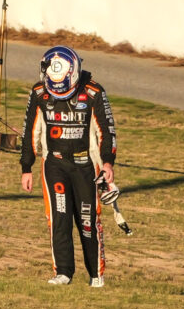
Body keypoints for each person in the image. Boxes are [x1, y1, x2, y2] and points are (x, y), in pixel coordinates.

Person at [19, 46, 116, 287]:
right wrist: (26, 166)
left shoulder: (94, 92)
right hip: (54, 165)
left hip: (86, 167)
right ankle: (62, 272)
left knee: (87, 221)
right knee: (58, 219)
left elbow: (107, 130)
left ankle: (96, 275)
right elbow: (30, 130)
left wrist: (107, 163)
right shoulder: (39, 92)